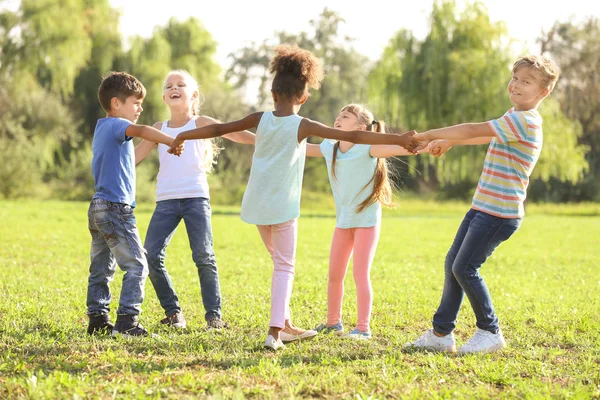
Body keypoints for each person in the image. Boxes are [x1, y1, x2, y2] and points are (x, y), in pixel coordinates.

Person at [168, 44, 419, 350]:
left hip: (256, 205)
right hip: (283, 207)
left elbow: (219, 128)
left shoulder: (259, 118)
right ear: (304, 96)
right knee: (284, 266)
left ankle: (285, 325)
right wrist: (400, 139)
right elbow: (355, 137)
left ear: (273, 94)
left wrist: (181, 135)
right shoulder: (303, 125)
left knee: (278, 262)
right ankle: (275, 332)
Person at [406, 55, 560, 354]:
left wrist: (430, 135)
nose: (516, 85)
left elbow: (472, 129)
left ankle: (490, 331)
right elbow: (482, 136)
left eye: (526, 82)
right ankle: (441, 334)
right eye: (515, 78)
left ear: (544, 92)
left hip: (499, 214)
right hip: (483, 207)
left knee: (465, 268)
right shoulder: (512, 117)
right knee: (454, 265)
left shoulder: (525, 120)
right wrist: (450, 142)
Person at [135, 70, 255, 330]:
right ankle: (173, 313)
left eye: (180, 84)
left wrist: (263, 142)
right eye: (169, 86)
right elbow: (134, 157)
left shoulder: (200, 123)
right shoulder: (158, 128)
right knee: (150, 255)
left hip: (196, 199)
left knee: (203, 255)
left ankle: (214, 317)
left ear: (193, 95)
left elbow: (233, 133)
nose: (173, 88)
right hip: (165, 201)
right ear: (164, 97)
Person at [306, 104, 423, 340]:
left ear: (361, 127)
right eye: (338, 115)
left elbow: (404, 149)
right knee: (334, 274)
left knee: (360, 274)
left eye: (345, 117)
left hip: (366, 221)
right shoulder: (330, 147)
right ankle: (333, 323)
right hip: (343, 222)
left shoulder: (368, 147)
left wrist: (431, 143)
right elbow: (303, 148)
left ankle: (362, 328)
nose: (338, 119)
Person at [86, 71, 183, 337]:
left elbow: (135, 155)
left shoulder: (105, 129)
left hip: (98, 207)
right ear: (116, 104)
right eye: (135, 102)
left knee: (102, 267)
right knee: (138, 265)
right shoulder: (118, 125)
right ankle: (127, 322)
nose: (140, 108)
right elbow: (140, 130)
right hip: (117, 208)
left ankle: (97, 319)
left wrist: (154, 142)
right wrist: (171, 140)